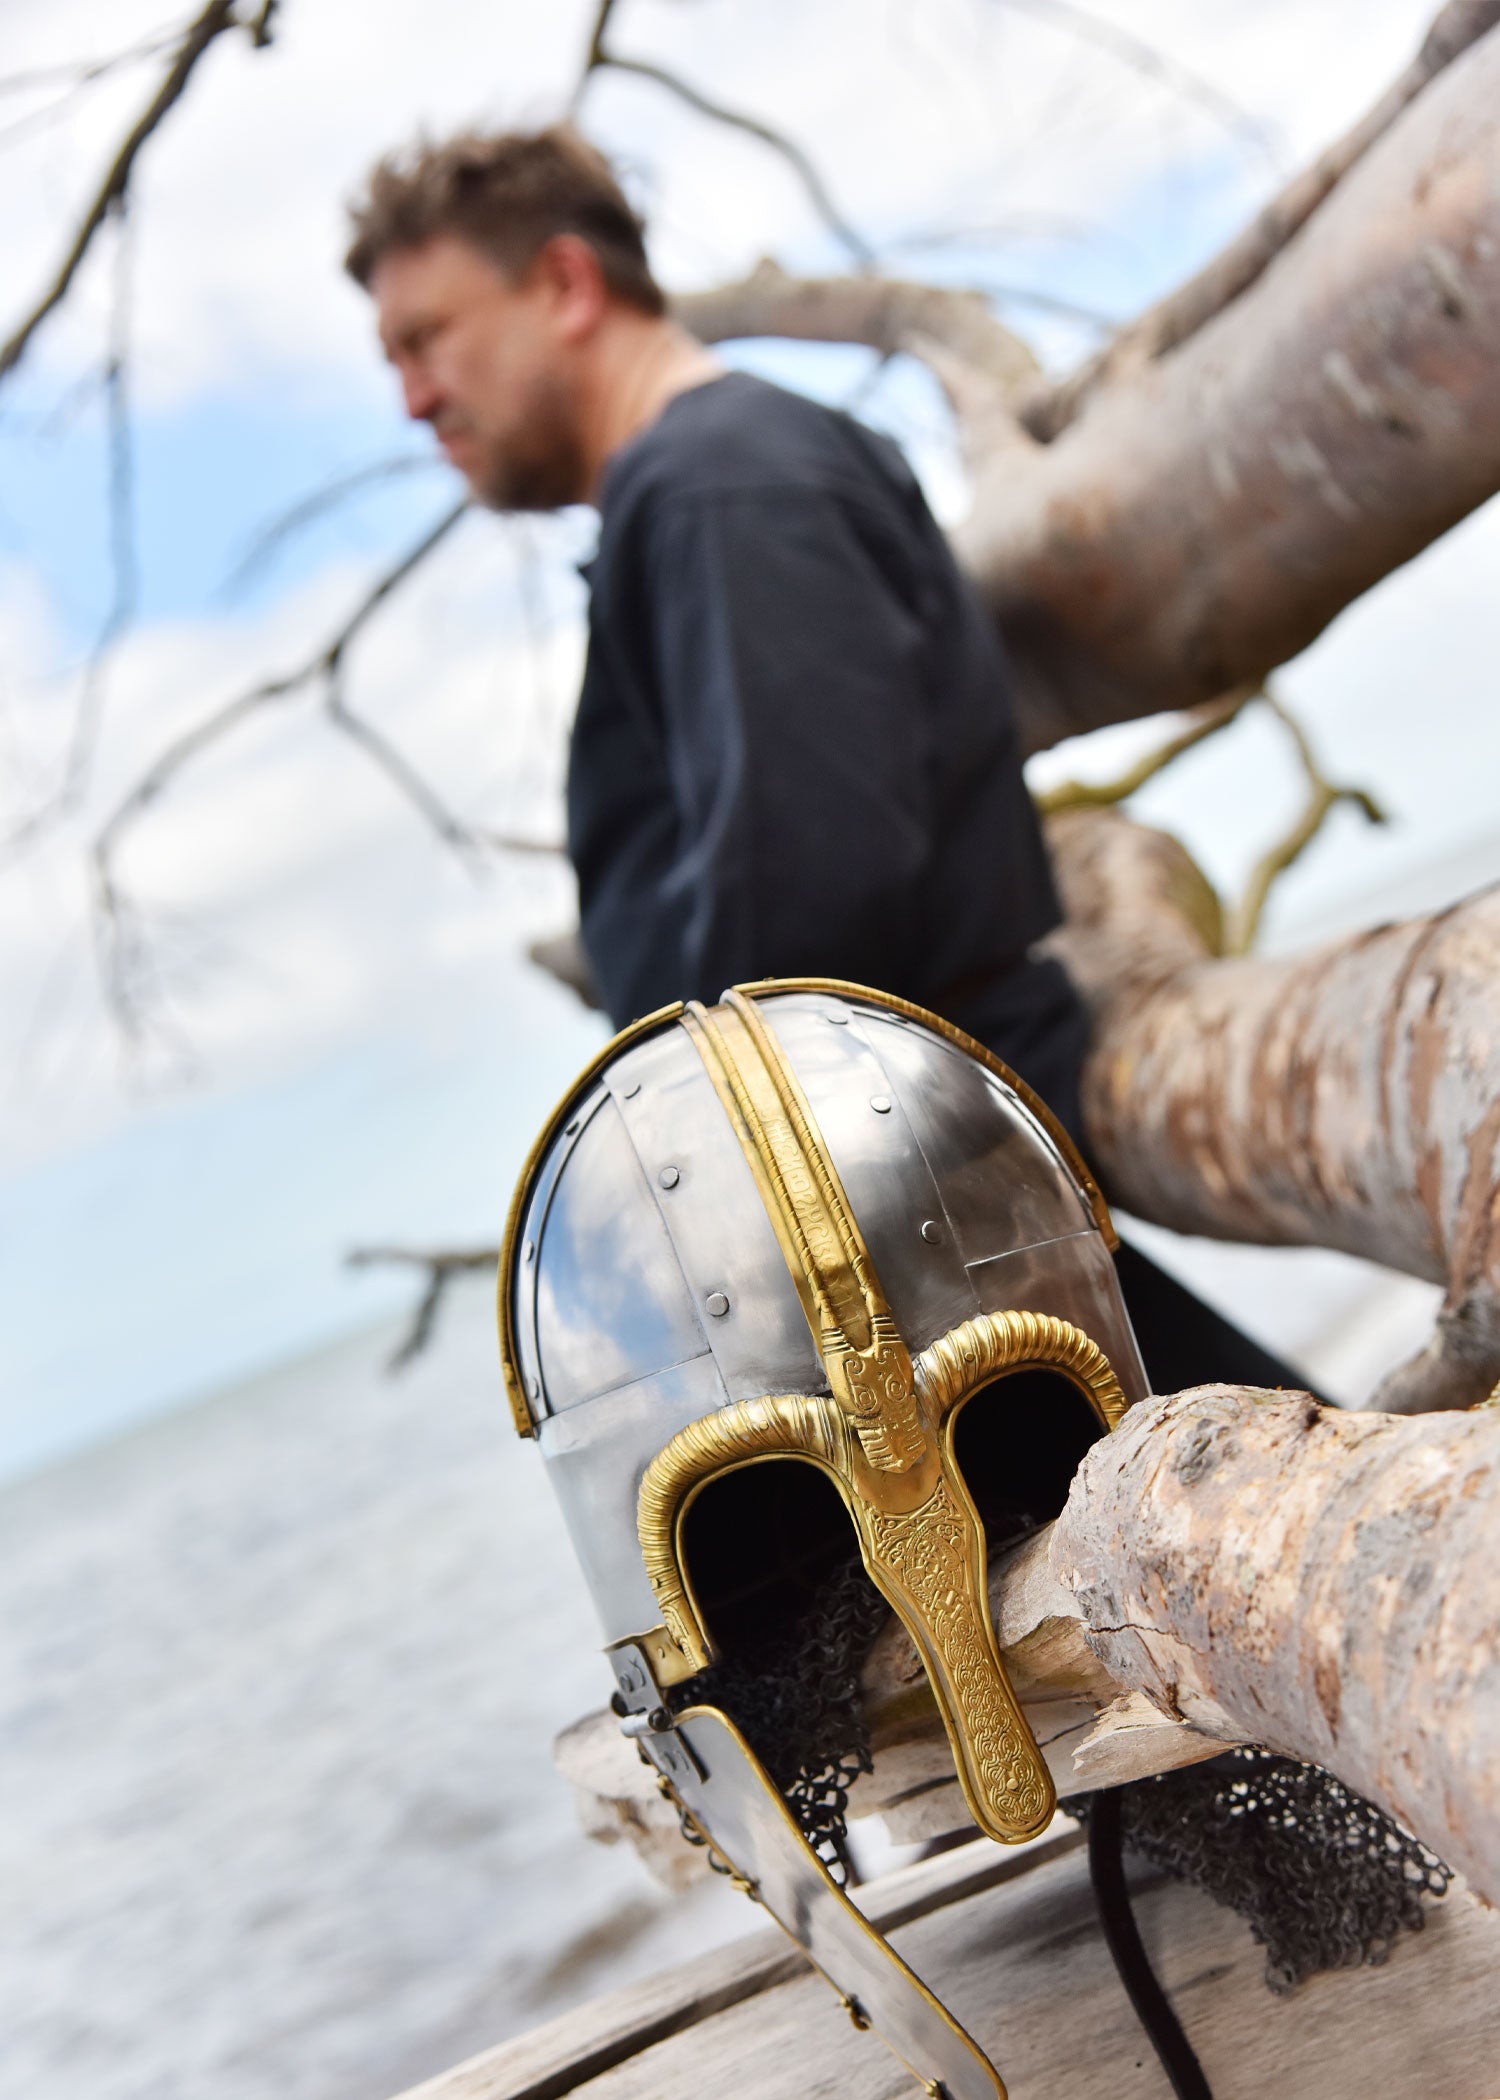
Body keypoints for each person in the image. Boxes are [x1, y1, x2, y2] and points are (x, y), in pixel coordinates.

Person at [346, 124, 1300, 1399]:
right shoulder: (706, 490)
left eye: (428, 338)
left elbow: (809, 918)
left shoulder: (725, 488)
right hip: (914, 1222)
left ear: (567, 285)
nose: (415, 398)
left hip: (917, 1236)